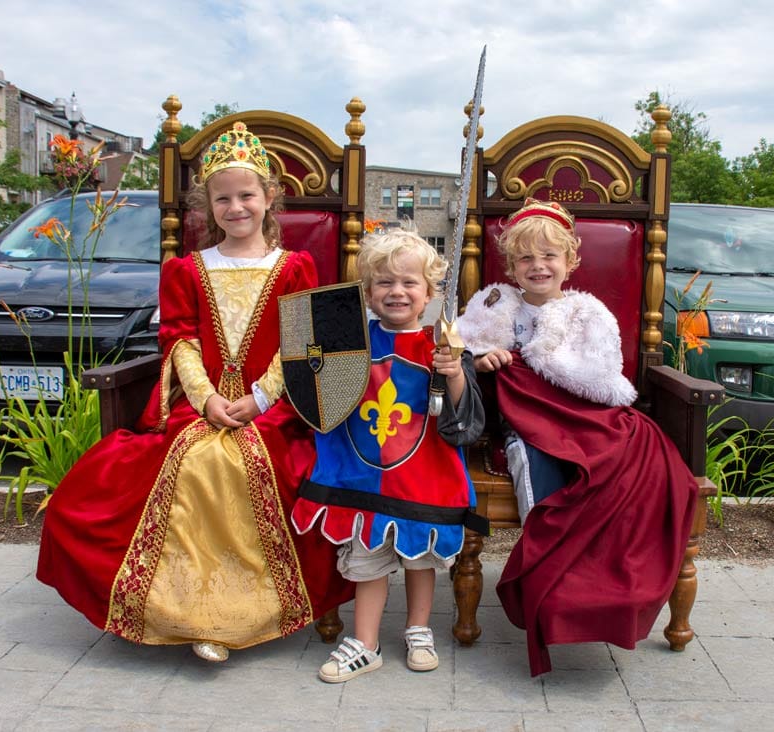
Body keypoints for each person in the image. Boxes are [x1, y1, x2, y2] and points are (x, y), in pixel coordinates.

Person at [37, 121, 353, 663]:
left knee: (239, 461)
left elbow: (301, 341)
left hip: (274, 408)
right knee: (192, 458)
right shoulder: (186, 269)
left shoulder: (294, 267)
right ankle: (186, 613)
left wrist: (259, 399)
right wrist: (207, 399)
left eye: (246, 195)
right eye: (222, 198)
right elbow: (180, 340)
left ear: (269, 197)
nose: (236, 207)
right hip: (200, 404)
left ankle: (240, 614)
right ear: (207, 206)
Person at [456, 198, 699, 676]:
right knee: (532, 458)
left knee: (627, 461)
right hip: (527, 422)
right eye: (525, 258)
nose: (538, 266)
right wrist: (481, 360)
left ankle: (597, 582)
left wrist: (544, 363)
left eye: (549, 256)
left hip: (583, 418)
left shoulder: (587, 312)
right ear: (511, 266)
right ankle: (550, 566)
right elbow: (459, 348)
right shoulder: (493, 306)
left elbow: (601, 376)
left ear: (570, 262)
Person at [291, 228, 487, 683]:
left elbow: (464, 419)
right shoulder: (348, 342)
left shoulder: (444, 346)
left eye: (409, 282)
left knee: (420, 557)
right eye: (384, 282)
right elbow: (319, 396)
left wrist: (454, 373)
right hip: (363, 476)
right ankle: (365, 643)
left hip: (423, 476)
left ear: (429, 293)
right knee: (366, 559)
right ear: (367, 293)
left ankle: (419, 629)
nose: (397, 291)